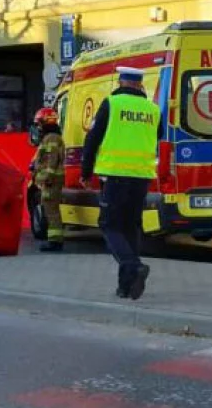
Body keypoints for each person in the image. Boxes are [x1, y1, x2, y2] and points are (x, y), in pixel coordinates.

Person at [81, 67, 162, 300]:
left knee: (109, 225)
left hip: (115, 175)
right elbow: (156, 137)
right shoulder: (153, 109)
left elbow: (92, 139)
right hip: (141, 177)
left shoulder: (111, 104)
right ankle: (125, 287)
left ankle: (132, 265)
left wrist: (86, 172)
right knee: (129, 227)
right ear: (139, 84)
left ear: (120, 82)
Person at [30, 107, 65, 252]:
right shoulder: (52, 137)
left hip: (51, 181)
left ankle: (55, 241)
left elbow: (51, 162)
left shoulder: (51, 138)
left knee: (51, 210)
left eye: (39, 124)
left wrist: (44, 178)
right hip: (52, 180)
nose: (38, 128)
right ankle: (54, 239)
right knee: (50, 209)